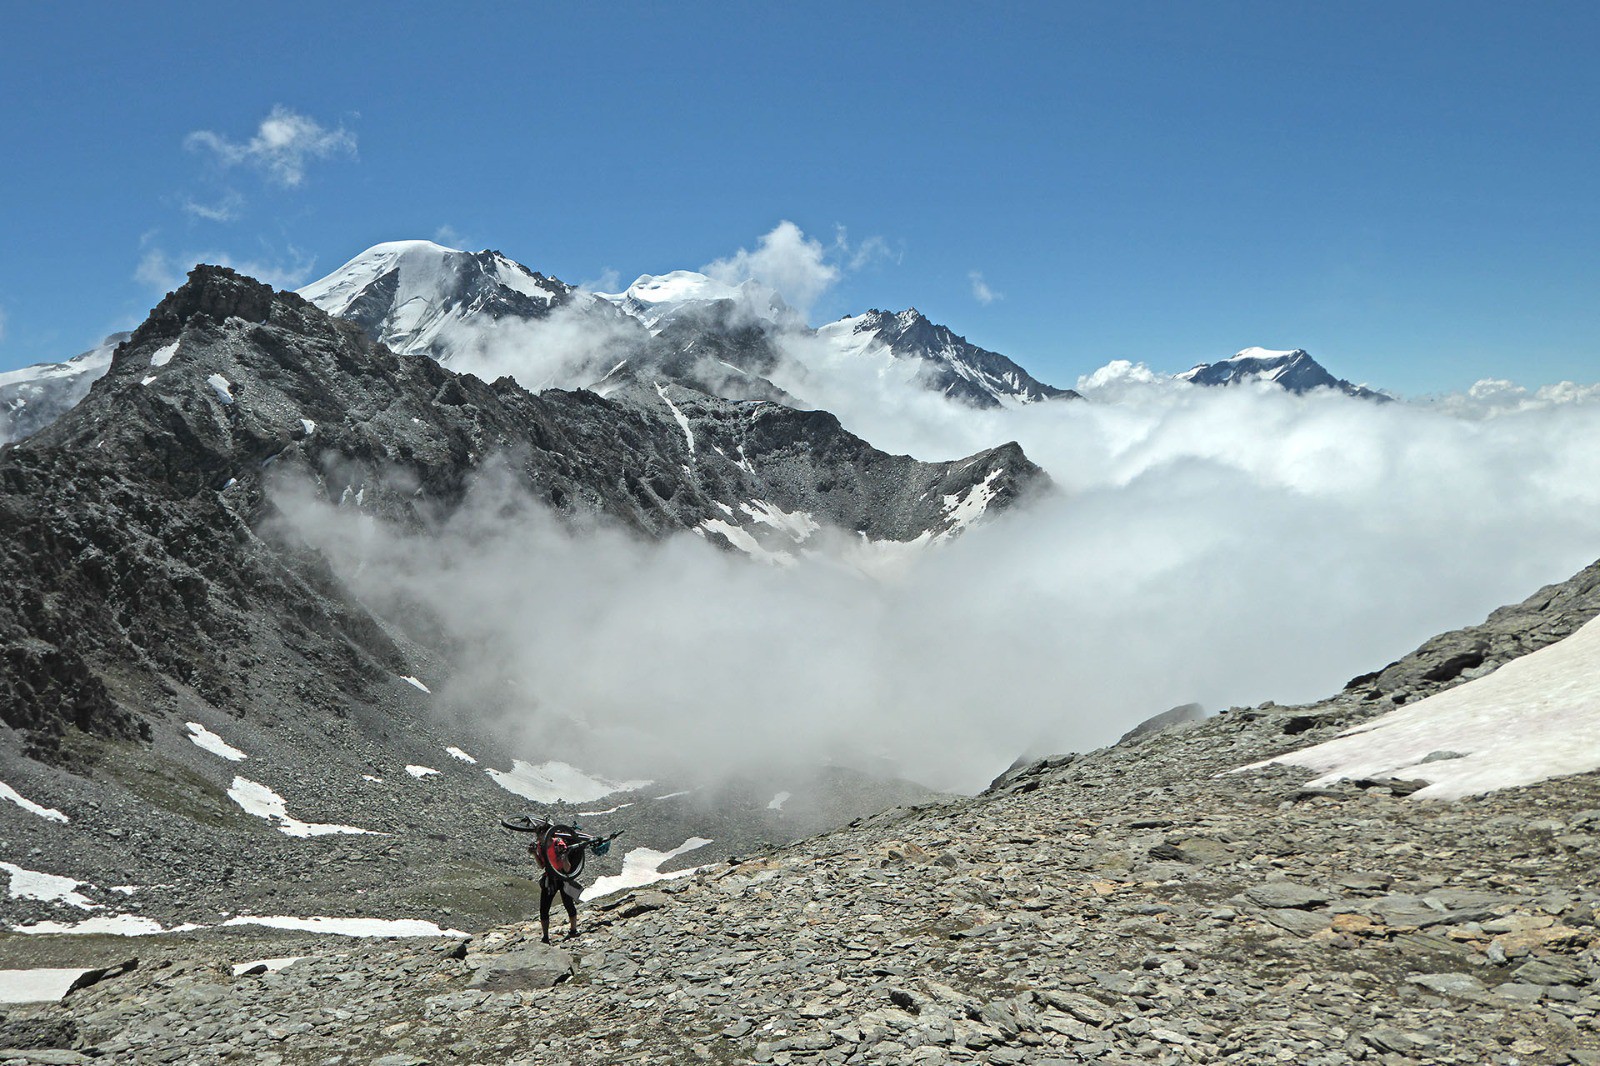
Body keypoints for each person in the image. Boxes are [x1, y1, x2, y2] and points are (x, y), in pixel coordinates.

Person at [503, 816, 602, 943]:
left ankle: (573, 930)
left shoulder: (558, 843)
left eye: (541, 836)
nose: (539, 839)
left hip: (562, 876)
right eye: (538, 836)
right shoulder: (540, 846)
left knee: (568, 904)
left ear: (547, 835)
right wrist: (534, 854)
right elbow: (542, 865)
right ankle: (545, 937)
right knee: (544, 908)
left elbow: (567, 868)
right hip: (549, 878)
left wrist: (564, 856)